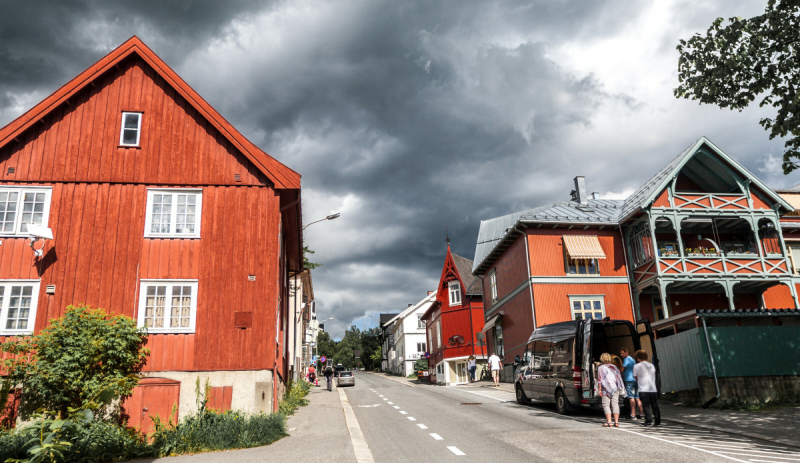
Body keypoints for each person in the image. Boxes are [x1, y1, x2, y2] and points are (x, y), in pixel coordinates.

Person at [597, 353, 626, 427]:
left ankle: (609, 422)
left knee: (606, 404)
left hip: (605, 388)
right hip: (615, 388)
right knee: (615, 404)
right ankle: (616, 422)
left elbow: (600, 379)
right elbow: (618, 377)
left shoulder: (601, 368)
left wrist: (599, 389)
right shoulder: (614, 367)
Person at [634, 350, 660, 427]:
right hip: (652, 388)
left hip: (643, 388)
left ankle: (648, 420)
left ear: (638, 357)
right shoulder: (651, 365)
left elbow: (635, 376)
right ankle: (657, 420)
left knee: (646, 405)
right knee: (654, 405)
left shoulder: (637, 366)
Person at [620, 347, 643, 420]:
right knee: (638, 398)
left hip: (629, 381)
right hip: (635, 380)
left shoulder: (626, 360)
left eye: (622, 353)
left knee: (631, 398)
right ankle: (641, 414)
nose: (621, 355)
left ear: (626, 352)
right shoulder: (632, 359)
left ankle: (633, 414)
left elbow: (622, 370)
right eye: (620, 353)